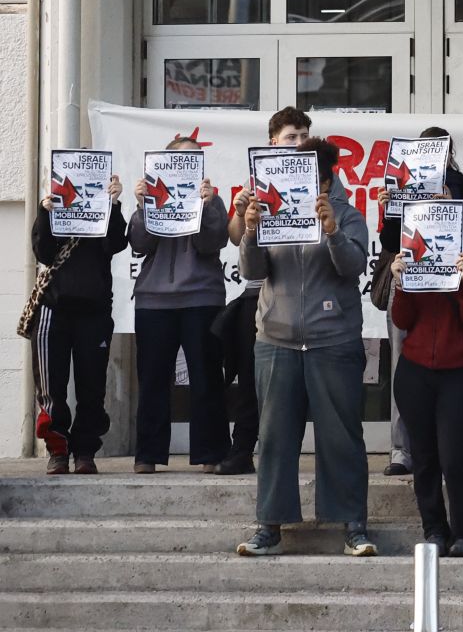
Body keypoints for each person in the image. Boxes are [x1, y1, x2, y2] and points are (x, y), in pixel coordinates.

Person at [236, 137, 376, 557]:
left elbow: (353, 267)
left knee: (342, 436)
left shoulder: (348, 214)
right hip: (275, 340)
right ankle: (269, 526)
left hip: (333, 339)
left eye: (307, 177)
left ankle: (353, 525)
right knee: (274, 437)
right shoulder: (272, 212)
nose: (296, 184)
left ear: (327, 179)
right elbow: (251, 271)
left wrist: (331, 231)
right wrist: (250, 232)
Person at [216, 106, 314, 476]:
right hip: (257, 294)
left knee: (295, 383)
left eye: (304, 136)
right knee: (250, 376)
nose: (299, 143)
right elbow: (236, 237)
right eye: (291, 137)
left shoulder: (318, 179)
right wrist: (242, 211)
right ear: (273, 141)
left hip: (299, 292)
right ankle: (242, 449)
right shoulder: (256, 183)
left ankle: (282, 453)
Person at [390, 207, 463, 557]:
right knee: (424, 456)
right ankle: (434, 528)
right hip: (415, 370)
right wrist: (400, 283)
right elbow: (402, 320)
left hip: (458, 371)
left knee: (453, 457)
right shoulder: (413, 263)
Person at [129, 136, 229, 474]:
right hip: (154, 300)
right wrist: (145, 205)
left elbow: (211, 243)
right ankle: (147, 454)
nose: (187, 164)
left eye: (194, 159)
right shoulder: (151, 196)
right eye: (180, 159)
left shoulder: (212, 199)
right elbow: (140, 243)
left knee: (207, 377)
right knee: (153, 379)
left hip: (202, 296)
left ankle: (211, 453)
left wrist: (205, 205)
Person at [376, 127, 463, 479]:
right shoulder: (402, 181)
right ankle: (402, 449)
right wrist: (388, 212)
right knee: (404, 365)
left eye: (439, 152)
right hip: (412, 284)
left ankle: (451, 446)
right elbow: (390, 240)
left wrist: (449, 200)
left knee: (453, 374)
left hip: (447, 291)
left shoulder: (457, 183)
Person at [31, 167, 128, 474]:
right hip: (52, 309)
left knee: (92, 386)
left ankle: (85, 451)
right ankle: (57, 450)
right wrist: (45, 211)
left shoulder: (104, 209)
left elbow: (116, 244)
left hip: (94, 311)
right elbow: (43, 251)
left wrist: (113, 204)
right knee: (50, 388)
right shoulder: (55, 208)